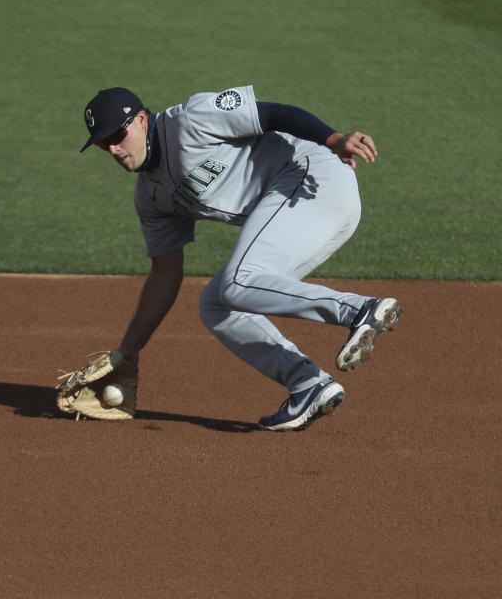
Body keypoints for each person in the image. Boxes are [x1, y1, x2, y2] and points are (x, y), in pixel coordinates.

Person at [79, 85, 401, 431]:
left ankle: (358, 310)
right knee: (217, 305)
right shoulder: (150, 197)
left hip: (313, 177)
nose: (113, 148)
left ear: (141, 120)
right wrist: (129, 351)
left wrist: (333, 138)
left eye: (118, 134)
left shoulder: (190, 119)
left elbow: (273, 113)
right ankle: (308, 384)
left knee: (237, 282)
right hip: (307, 213)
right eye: (102, 142)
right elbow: (165, 275)